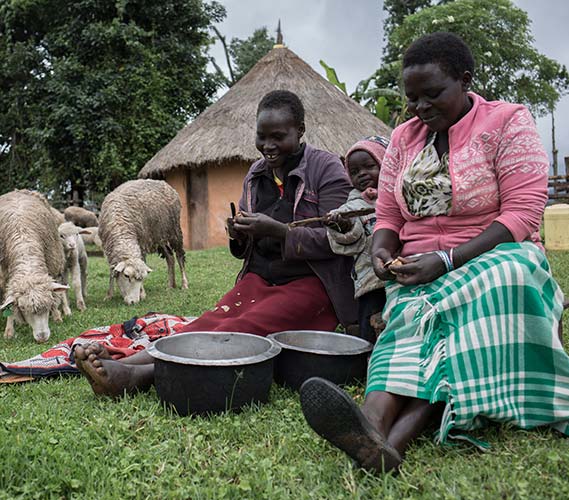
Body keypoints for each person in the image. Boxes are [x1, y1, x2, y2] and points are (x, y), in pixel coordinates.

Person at [299, 32, 569, 473]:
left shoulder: (507, 123)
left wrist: (448, 260)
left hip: (495, 256)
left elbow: (523, 213)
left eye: (433, 94)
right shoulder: (403, 139)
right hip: (420, 267)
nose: (421, 108)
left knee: (491, 287)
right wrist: (384, 252)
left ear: (465, 79)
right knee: (410, 320)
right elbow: (387, 215)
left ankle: (391, 438)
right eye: (413, 98)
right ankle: (371, 425)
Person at [74, 89, 357, 397]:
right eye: (262, 137)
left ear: (300, 131)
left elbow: (338, 238)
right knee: (213, 320)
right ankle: (127, 362)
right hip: (262, 278)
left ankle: (138, 378)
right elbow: (246, 247)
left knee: (242, 328)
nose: (268, 146)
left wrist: (279, 231)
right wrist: (240, 235)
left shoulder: (326, 169)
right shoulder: (256, 173)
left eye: (278, 136)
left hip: (313, 284)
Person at [324, 136, 389, 343]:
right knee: (371, 325)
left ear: (385, 163)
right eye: (354, 172)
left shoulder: (400, 196)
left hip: (404, 276)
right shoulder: (354, 204)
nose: (362, 174)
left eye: (369, 166)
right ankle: (369, 361)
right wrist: (342, 225)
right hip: (371, 281)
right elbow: (352, 238)